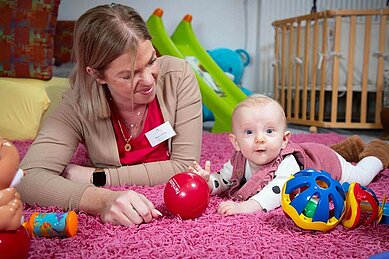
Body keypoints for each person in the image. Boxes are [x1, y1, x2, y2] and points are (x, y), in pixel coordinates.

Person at [16, 4, 202, 227]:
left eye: (152, 61)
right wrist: (100, 199)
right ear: (97, 75)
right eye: (128, 75)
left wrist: (99, 177)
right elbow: (26, 179)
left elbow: (185, 167)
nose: (150, 80)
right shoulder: (78, 101)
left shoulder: (178, 76)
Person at [189, 94, 389, 216]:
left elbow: (277, 192)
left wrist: (246, 207)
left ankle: (377, 153)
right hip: (313, 151)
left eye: (269, 131)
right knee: (325, 153)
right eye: (249, 132)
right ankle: (350, 147)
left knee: (360, 178)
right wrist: (207, 182)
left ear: (284, 139)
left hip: (327, 161)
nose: (260, 139)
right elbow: (224, 180)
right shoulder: (238, 160)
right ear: (235, 142)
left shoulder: (287, 162)